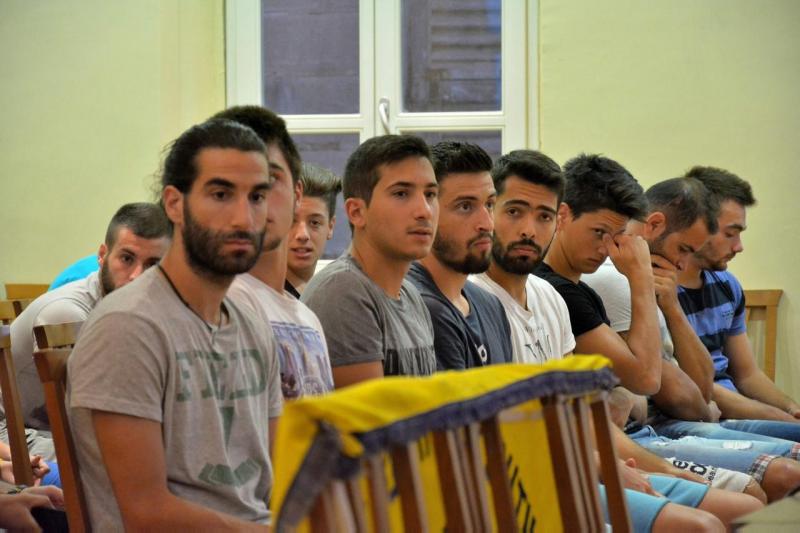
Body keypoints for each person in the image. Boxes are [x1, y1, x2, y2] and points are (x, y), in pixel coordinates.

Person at [538, 154, 800, 502]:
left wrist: (669, 306)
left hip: (648, 428)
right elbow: (652, 384)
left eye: (615, 235)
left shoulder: (590, 288)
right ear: (564, 216)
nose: (682, 263)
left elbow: (699, 390)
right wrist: (641, 278)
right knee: (775, 478)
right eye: (684, 249)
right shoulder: (601, 283)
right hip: (646, 431)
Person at [67, 119, 282, 530]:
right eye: (221, 194)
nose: (244, 218)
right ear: (174, 204)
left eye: (257, 196)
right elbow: (147, 514)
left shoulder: (251, 319)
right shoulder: (127, 327)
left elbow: (279, 473)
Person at [10, 202, 170, 434]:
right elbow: (85, 421)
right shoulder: (68, 314)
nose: (137, 276)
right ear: (103, 255)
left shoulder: (139, 311)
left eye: (152, 264)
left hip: (50, 431)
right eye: (127, 259)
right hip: (13, 435)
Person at [302, 135, 438, 388]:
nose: (425, 211)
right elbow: (371, 413)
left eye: (430, 194)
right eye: (401, 193)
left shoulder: (411, 296)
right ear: (356, 212)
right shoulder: (343, 291)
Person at [677, 166, 800, 441]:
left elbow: (747, 375)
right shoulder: (659, 291)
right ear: (696, 226)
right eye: (730, 233)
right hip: (699, 415)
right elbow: (701, 388)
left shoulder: (727, 285)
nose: (739, 246)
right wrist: (779, 418)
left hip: (739, 411)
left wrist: (791, 408)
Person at [218, 106, 334, 398]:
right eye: (228, 189)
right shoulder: (224, 303)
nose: (255, 198)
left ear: (297, 194)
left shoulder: (308, 319)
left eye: (269, 180)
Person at [405, 141, 511, 369]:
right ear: (428, 212)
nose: (487, 223)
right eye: (465, 207)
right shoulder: (416, 305)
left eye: (490, 204)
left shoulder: (491, 305)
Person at [469, 149, 575, 363]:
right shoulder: (469, 302)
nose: (529, 231)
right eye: (514, 212)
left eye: (544, 216)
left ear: (558, 222)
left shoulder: (551, 297)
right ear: (489, 210)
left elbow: (569, 382)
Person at [285, 163, 341, 297]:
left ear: (330, 226)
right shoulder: (254, 297)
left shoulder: (331, 296)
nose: (302, 235)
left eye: (314, 223)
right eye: (291, 221)